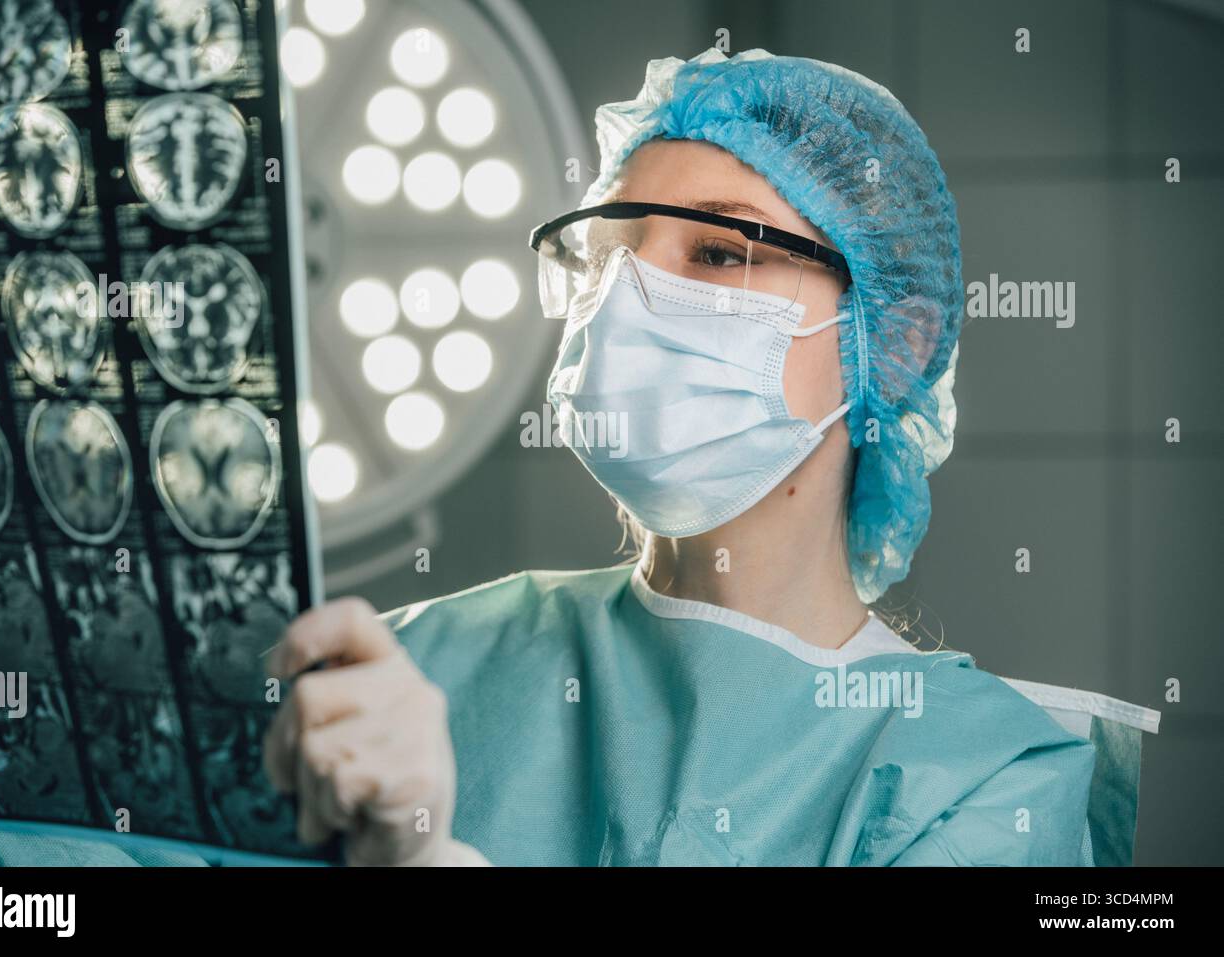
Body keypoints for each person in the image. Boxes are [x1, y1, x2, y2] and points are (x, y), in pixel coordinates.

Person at [262, 48, 1098, 867]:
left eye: (720, 251)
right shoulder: (408, 670)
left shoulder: (980, 781)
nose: (624, 304)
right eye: (604, 258)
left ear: (893, 345)